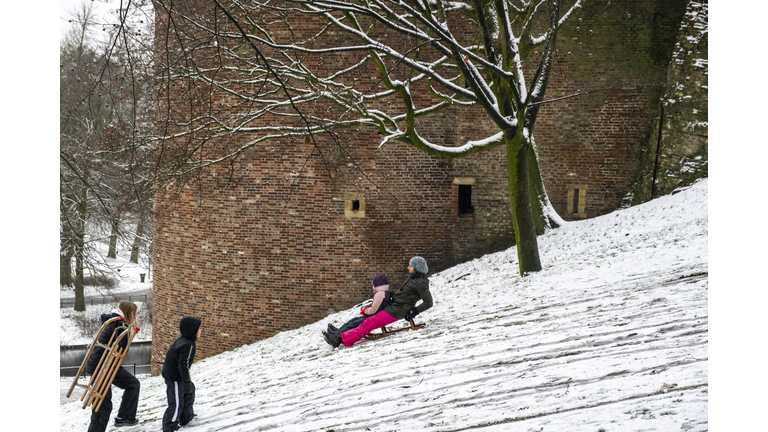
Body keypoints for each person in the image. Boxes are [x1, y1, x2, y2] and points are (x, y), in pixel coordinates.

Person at [325, 257, 433, 348]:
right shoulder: (413, 278)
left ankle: (339, 339)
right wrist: (390, 293)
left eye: (410, 266)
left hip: (397, 311)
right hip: (393, 306)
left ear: (417, 269)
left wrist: (414, 311)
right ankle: (339, 333)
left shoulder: (421, 283)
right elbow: (404, 293)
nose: (408, 267)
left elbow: (429, 302)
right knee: (365, 319)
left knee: (368, 323)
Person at [85, 301, 141, 431]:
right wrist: (128, 334)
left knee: (132, 385)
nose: (135, 317)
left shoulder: (114, 322)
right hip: (103, 367)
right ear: (129, 313)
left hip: (107, 365)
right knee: (102, 406)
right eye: (134, 314)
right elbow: (121, 348)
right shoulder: (118, 325)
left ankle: (125, 417)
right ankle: (124, 417)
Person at [322, 273, 391, 347]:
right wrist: (367, 308)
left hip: (373, 316)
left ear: (378, 284)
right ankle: (337, 332)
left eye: (373, 285)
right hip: (374, 315)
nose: (372, 287)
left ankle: (336, 337)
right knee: (353, 321)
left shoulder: (380, 294)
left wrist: (365, 310)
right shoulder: (383, 293)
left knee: (354, 323)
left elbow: (374, 309)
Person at [162, 316, 202, 432]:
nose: (201, 330)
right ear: (192, 330)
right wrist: (186, 381)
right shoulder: (187, 345)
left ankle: (186, 416)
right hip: (174, 377)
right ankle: (170, 425)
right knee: (176, 402)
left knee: (189, 390)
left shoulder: (185, 341)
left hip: (177, 375)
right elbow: (183, 365)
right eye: (199, 328)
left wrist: (187, 383)